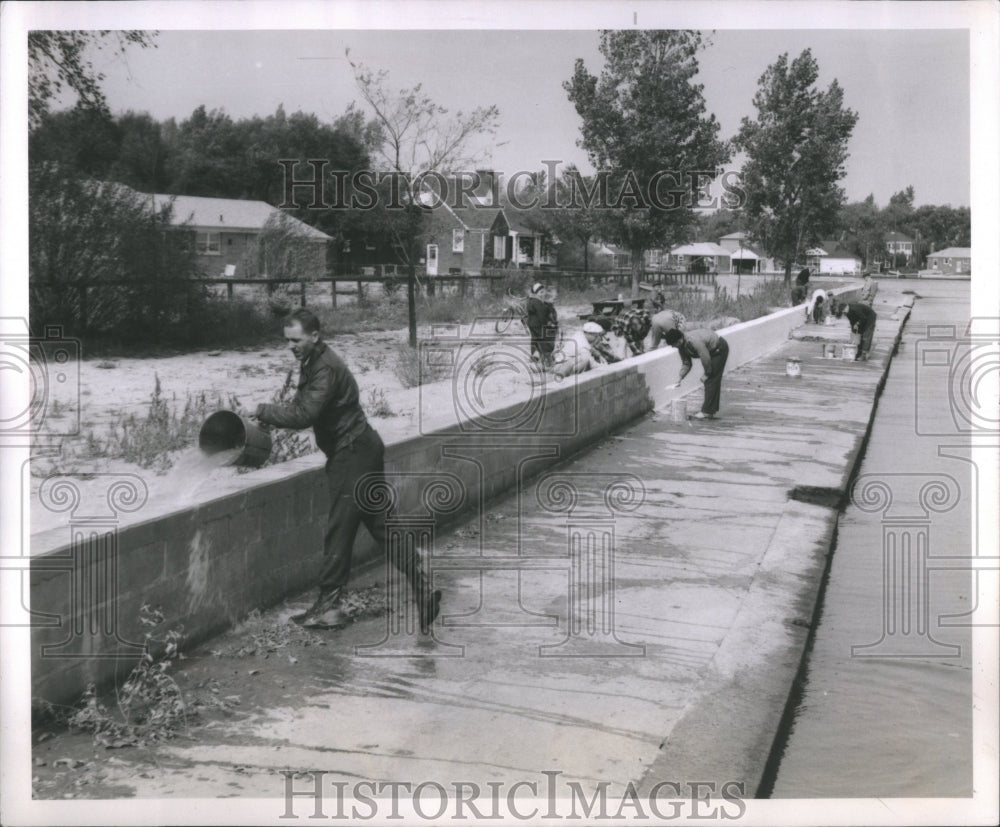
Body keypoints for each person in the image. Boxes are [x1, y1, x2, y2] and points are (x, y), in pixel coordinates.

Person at [254, 308, 441, 632]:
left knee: (339, 530)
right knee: (384, 526)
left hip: (352, 454)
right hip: (363, 448)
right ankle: (422, 586)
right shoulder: (315, 360)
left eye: (296, 340)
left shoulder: (324, 367)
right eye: (287, 341)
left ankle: (329, 608)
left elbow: (304, 414)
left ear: (315, 336)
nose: (291, 347)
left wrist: (261, 411)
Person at [663, 328, 730, 420]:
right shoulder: (681, 346)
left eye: (674, 345)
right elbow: (687, 363)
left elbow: (705, 357)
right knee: (712, 380)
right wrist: (680, 378)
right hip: (711, 351)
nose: (674, 347)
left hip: (719, 349)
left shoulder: (693, 341)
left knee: (710, 379)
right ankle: (710, 410)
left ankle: (707, 412)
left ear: (679, 340)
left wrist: (707, 374)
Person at [525, 282, 558, 367]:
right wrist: (548, 324)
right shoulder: (538, 303)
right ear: (536, 293)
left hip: (531, 324)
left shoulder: (531, 301)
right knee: (544, 340)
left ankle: (535, 356)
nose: (543, 294)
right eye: (541, 292)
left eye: (544, 292)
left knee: (535, 340)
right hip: (538, 324)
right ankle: (547, 359)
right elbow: (541, 316)